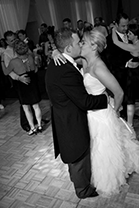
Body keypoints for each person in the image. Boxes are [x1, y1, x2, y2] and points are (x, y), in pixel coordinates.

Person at [80, 29, 139, 196]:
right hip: (91, 111)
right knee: (93, 146)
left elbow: (119, 92)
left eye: (82, 42)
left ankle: (108, 180)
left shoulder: (98, 67)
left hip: (102, 113)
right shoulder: (85, 60)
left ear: (93, 46)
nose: (80, 44)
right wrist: (55, 52)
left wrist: (114, 111)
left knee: (104, 147)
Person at [45, 28, 108, 199]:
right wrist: (105, 100)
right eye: (77, 42)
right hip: (70, 120)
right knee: (79, 154)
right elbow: (85, 102)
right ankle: (83, 190)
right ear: (68, 49)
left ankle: (78, 181)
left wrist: (55, 51)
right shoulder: (65, 70)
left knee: (76, 155)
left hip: (65, 116)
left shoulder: (61, 62)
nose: (80, 43)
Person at [111, 24, 139, 126]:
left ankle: (130, 123)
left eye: (130, 33)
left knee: (130, 96)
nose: (128, 35)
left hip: (133, 74)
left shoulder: (133, 47)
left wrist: (113, 30)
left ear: (136, 35)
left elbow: (115, 42)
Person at [105, 13, 139, 119]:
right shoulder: (109, 39)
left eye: (127, 25)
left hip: (131, 73)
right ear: (116, 24)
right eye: (123, 26)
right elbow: (110, 58)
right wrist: (126, 64)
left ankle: (129, 114)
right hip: (119, 72)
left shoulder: (130, 35)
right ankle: (123, 116)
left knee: (130, 94)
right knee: (122, 94)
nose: (126, 28)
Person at [6, 40, 43, 136]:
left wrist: (2, 61)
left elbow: (6, 72)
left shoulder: (13, 62)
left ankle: (32, 128)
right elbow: (35, 69)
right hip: (32, 83)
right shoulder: (30, 57)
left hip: (22, 85)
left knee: (26, 108)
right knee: (36, 106)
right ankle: (39, 125)